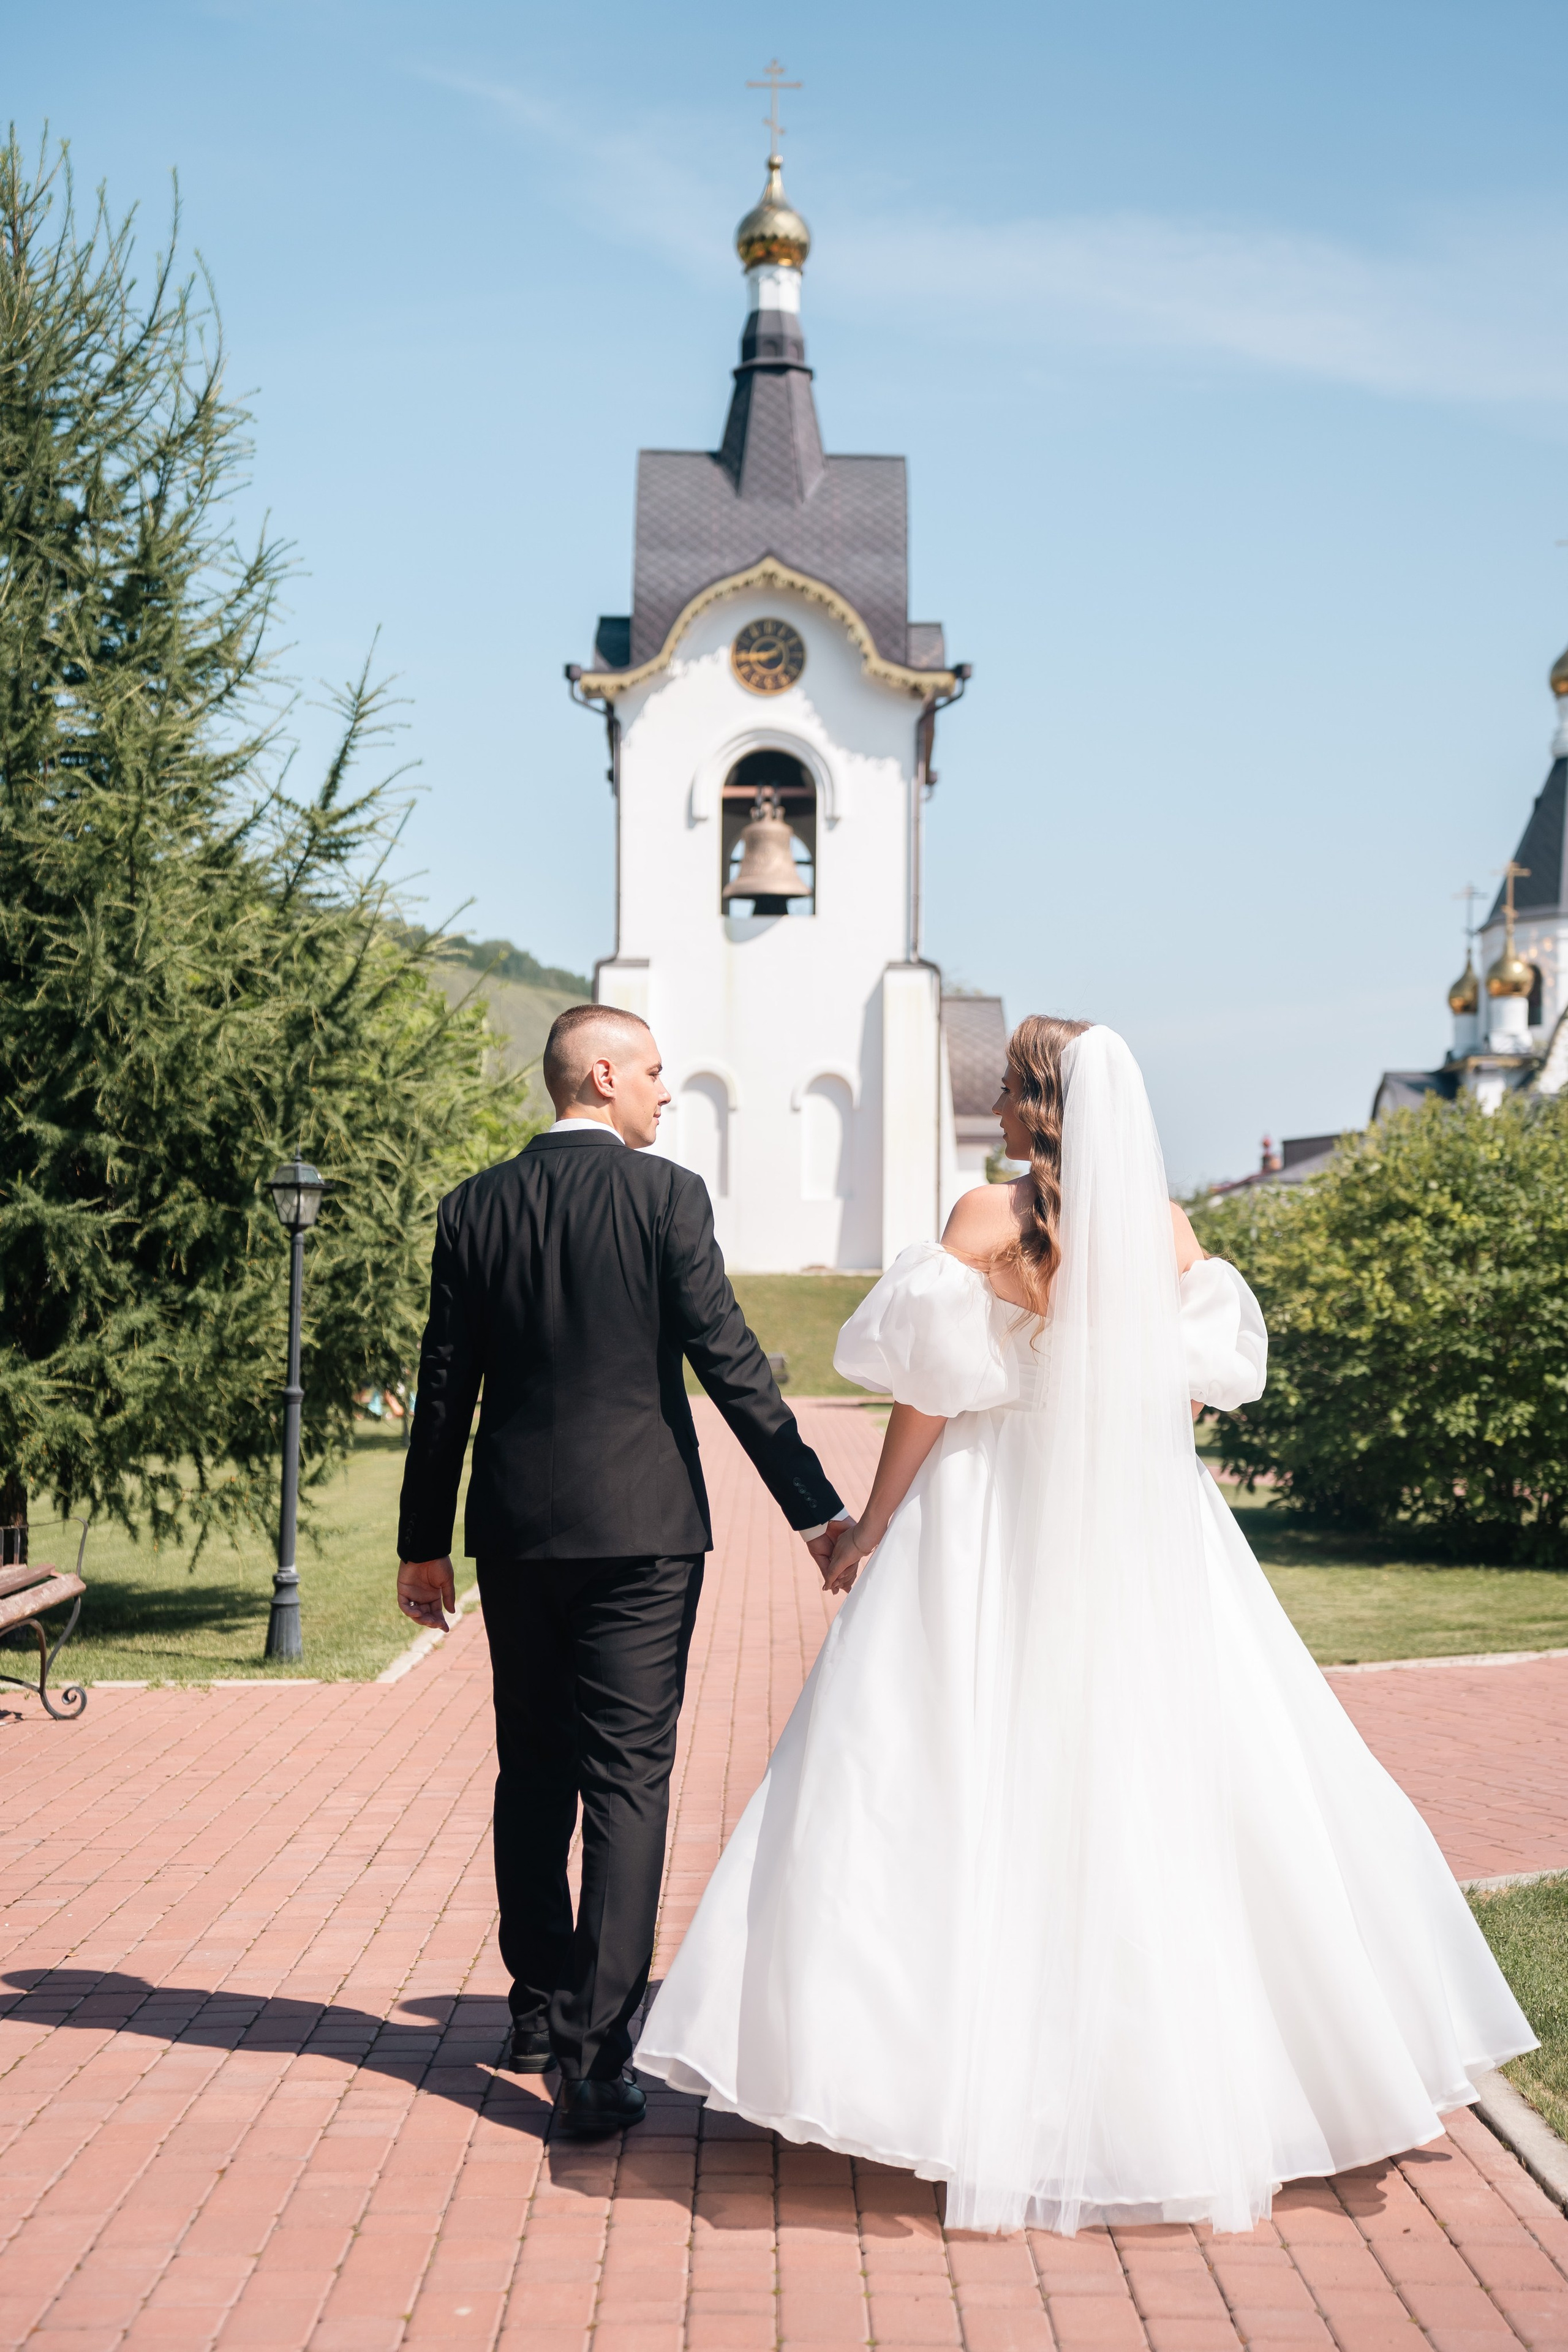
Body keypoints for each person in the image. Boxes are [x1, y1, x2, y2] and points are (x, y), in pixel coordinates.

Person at [635, 1017, 1534, 2234]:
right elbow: (1192, 1393)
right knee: (1166, 1772)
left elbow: (925, 1401)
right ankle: (1202, 2078)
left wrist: (870, 1530)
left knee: (948, 1767)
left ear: (1031, 1104)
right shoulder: (1163, 1233)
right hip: (1139, 1521)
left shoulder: (979, 1221)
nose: (994, 1108)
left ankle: (932, 2075)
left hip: (983, 1517)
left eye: (1004, 1089)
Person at [396, 1005, 850, 2139]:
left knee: (532, 1770)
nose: (664, 1091)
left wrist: (422, 1542)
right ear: (601, 1077)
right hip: (644, 1534)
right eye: (653, 1072)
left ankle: (542, 2014)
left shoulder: (474, 1207)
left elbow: (444, 1388)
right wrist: (816, 1511)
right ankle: (597, 2066)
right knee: (629, 1779)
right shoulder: (667, 1198)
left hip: (514, 1535)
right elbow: (731, 1365)